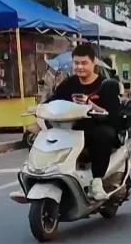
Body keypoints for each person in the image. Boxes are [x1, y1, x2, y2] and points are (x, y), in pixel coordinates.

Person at [48, 43, 121, 201]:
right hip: (72, 130)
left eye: (84, 63)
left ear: (93, 62)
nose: (79, 67)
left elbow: (112, 113)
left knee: (104, 134)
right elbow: (52, 102)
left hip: (98, 129)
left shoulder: (105, 85)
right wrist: (39, 109)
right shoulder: (69, 83)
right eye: (76, 63)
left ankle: (97, 182)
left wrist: (90, 104)